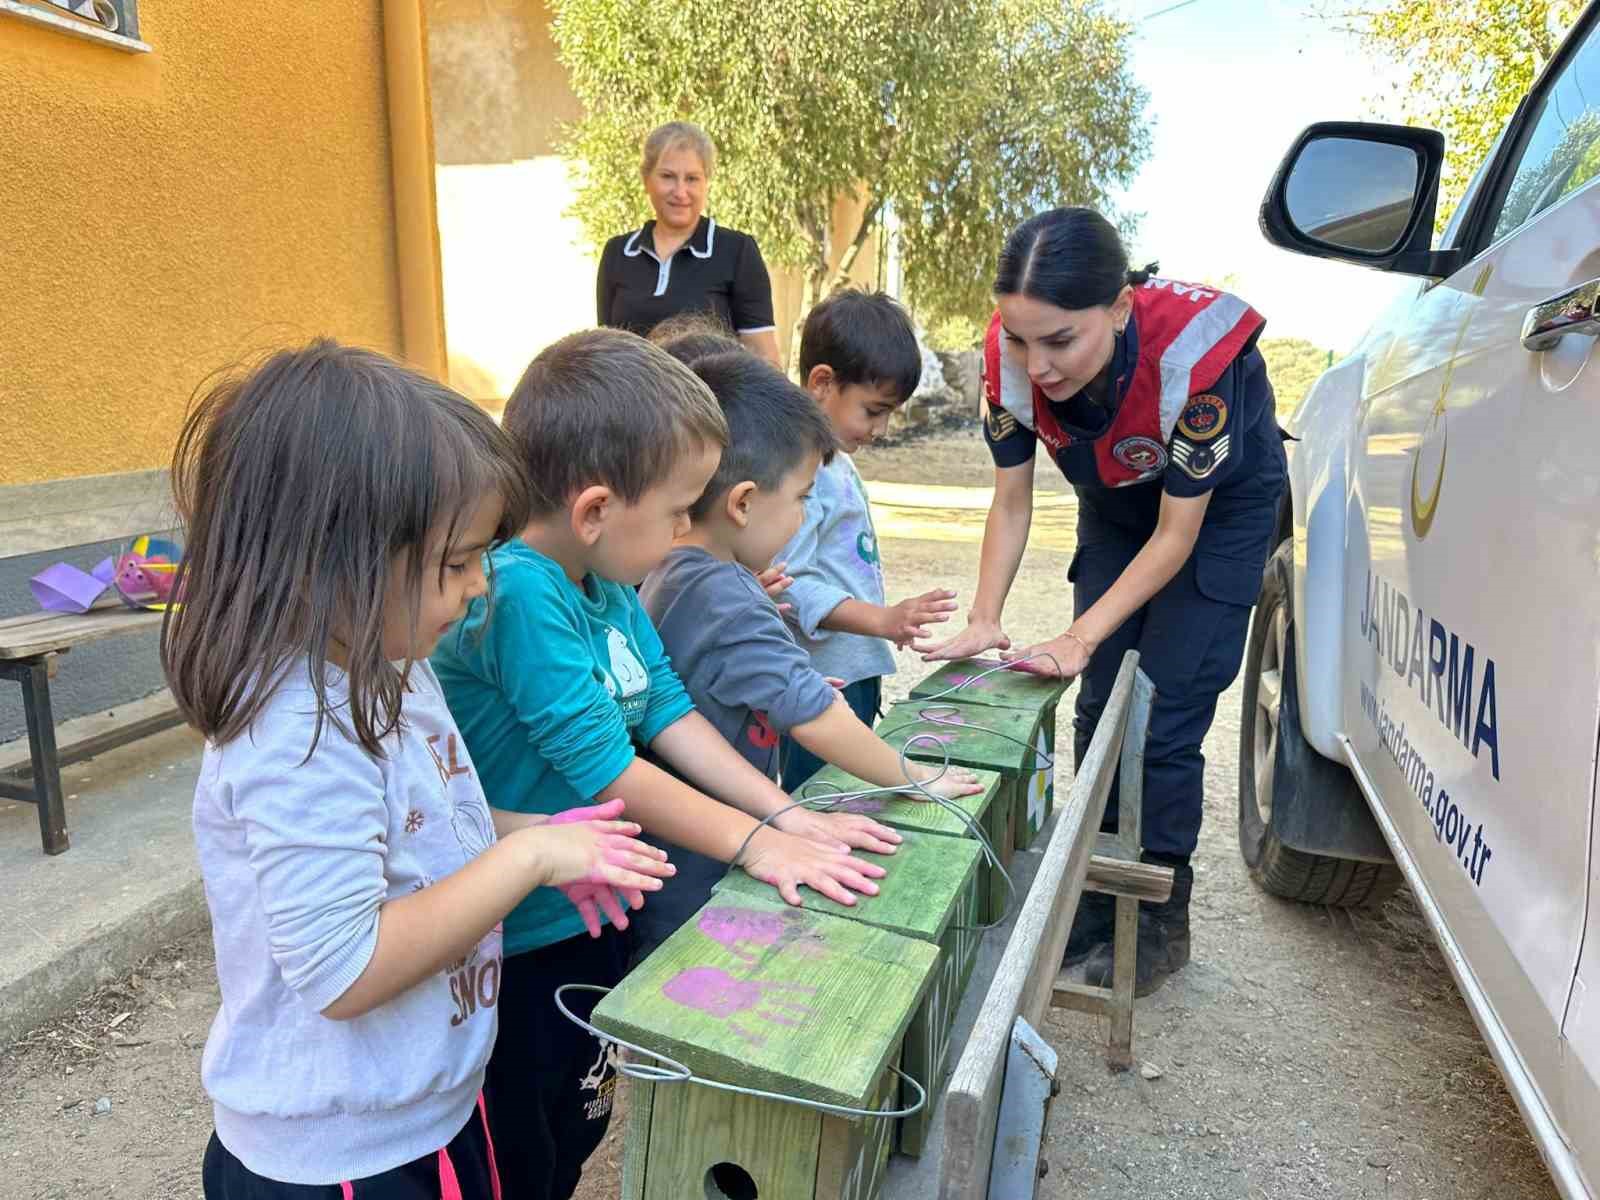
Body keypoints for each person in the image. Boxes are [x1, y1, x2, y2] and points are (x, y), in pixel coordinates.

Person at [163, 341, 674, 1199]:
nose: (483, 587)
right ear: (336, 559)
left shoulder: (393, 667)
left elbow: (432, 823)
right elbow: (343, 967)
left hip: (421, 1109)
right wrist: (531, 862)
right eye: (459, 562)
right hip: (345, 1158)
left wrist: (544, 835)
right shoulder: (299, 728)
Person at [428, 328, 899, 1200]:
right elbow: (614, 768)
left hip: (590, 902)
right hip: (517, 929)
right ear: (597, 510)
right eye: (681, 508)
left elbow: (671, 713)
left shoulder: (604, 588)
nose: (691, 526)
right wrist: (756, 846)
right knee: (522, 1139)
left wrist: (785, 816)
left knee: (584, 1105)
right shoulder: (523, 591)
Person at [922, 207, 1288, 997]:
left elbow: (1176, 535)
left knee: (1164, 704)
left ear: (1120, 308)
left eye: (1061, 341)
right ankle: (1092, 893)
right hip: (1119, 504)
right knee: (1096, 708)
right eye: (1020, 338)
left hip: (1213, 514)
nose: (1037, 364)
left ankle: (1158, 915)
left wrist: (1080, 633)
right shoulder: (1009, 359)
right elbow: (1012, 503)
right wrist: (986, 616)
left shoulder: (1196, 362)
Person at [637, 350, 984, 955]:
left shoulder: (680, 569)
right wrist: (915, 777)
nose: (803, 516)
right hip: (699, 870)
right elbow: (815, 719)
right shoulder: (724, 593)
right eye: (801, 497)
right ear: (742, 503)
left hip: (693, 842)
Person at [776, 289, 960, 786]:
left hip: (852, 667)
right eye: (873, 410)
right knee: (825, 796)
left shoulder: (835, 459)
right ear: (822, 383)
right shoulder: (800, 472)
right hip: (824, 678)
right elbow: (787, 581)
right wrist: (880, 618)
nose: (881, 428)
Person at [595, 121, 781, 366]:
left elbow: (764, 357)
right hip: (632, 402)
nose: (680, 192)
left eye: (692, 179)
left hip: (710, 402)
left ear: (706, 183)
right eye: (668, 177)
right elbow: (607, 352)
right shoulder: (617, 253)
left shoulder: (737, 251)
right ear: (646, 180)